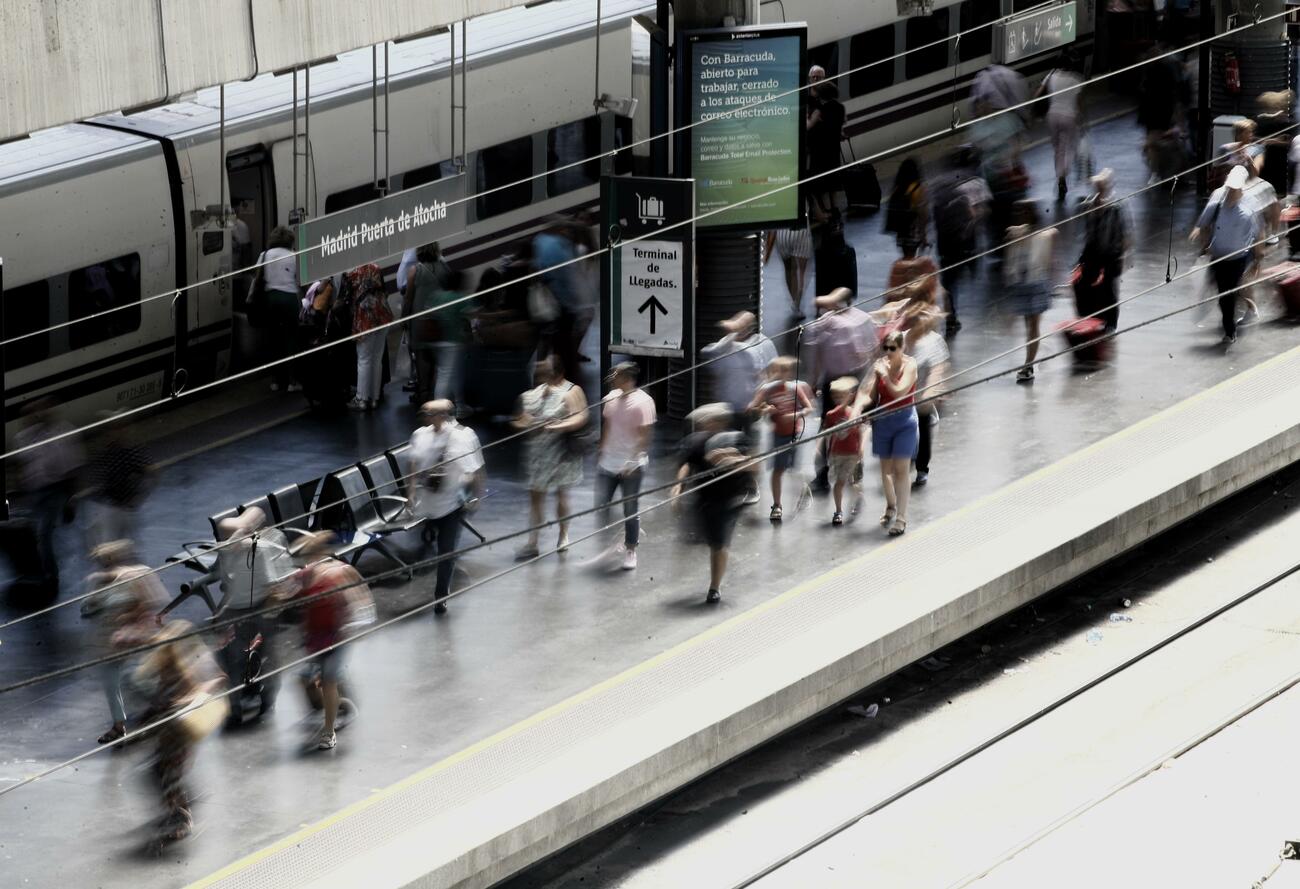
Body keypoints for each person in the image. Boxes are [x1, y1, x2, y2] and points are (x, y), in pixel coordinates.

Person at [133, 621, 224, 847]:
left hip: (180, 733)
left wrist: (185, 701)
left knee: (169, 776)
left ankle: (182, 818)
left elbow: (209, 684)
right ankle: (177, 807)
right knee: (158, 773)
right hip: (167, 733)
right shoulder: (164, 672)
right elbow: (158, 699)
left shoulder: (183, 670)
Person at [281, 532, 371, 750]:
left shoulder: (340, 571)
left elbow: (361, 595)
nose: (307, 559)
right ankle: (332, 708)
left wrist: (354, 622)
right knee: (304, 680)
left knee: (329, 681)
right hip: (315, 638)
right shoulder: (306, 574)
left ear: (322, 552)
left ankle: (328, 731)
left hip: (337, 636)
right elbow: (286, 594)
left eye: (310, 554)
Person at [80, 540, 169, 744]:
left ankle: (161, 709)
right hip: (109, 641)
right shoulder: (97, 581)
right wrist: (94, 604)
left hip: (135, 636)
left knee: (138, 680)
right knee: (111, 684)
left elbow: (152, 602)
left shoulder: (135, 575)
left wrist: (130, 614)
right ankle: (119, 726)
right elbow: (87, 607)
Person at [213, 507, 295, 717]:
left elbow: (234, 582)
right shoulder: (248, 549)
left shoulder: (237, 550)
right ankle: (253, 703)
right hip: (248, 607)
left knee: (245, 658)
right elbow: (266, 583)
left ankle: (250, 705)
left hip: (247, 608)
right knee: (255, 656)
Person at [672, 404, 755, 604]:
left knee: (719, 543)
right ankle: (721, 557)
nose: (703, 426)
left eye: (707, 422)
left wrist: (729, 460)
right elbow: (687, 464)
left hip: (729, 499)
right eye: (701, 423)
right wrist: (678, 487)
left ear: (720, 422)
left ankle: (714, 587)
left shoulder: (736, 439)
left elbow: (755, 464)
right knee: (708, 539)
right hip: (705, 498)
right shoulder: (695, 442)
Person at [409, 399, 485, 614]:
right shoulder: (419, 435)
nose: (425, 416)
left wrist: (475, 496)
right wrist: (411, 491)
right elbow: (414, 464)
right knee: (432, 541)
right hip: (427, 503)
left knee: (446, 550)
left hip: (452, 504)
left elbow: (475, 470)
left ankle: (441, 595)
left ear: (443, 415)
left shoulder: (462, 437)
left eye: (429, 412)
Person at [513, 356, 588, 557]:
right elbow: (520, 420)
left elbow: (580, 416)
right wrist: (526, 424)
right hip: (538, 452)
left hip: (562, 452)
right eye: (539, 373)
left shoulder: (572, 391)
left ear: (557, 372)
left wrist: (558, 426)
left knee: (562, 494)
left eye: (545, 372)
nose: (541, 376)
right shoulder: (532, 394)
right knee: (536, 497)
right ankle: (533, 542)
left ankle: (563, 535)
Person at [806, 287, 876, 492]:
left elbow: (870, 351)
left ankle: (855, 467)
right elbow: (818, 352)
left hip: (853, 378)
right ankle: (822, 473)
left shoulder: (860, 320)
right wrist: (814, 380)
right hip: (831, 380)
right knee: (828, 425)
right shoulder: (824, 323)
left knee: (854, 425)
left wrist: (868, 380)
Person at [13, 400, 81, 594]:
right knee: (38, 534)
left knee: (43, 534)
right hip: (35, 492)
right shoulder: (23, 438)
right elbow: (23, 465)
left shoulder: (60, 433)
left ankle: (51, 576)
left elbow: (70, 469)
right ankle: (39, 570)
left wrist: (71, 499)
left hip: (54, 490)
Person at [854, 331, 918, 537]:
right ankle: (891, 506)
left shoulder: (910, 365)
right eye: (886, 348)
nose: (889, 352)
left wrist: (884, 374)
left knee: (901, 469)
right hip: (884, 420)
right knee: (886, 470)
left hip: (904, 420)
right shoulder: (880, 365)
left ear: (902, 348)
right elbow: (870, 394)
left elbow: (899, 391)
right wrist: (856, 411)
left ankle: (902, 517)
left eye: (893, 348)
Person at [1191, 164, 1264, 345]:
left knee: (1228, 296)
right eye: (1229, 187)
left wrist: (1257, 258)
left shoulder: (1251, 204)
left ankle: (1229, 331)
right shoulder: (1218, 197)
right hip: (1218, 255)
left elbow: (1258, 233)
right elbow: (1204, 223)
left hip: (1239, 257)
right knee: (1223, 295)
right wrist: (1201, 237)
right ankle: (1228, 318)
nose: (1231, 191)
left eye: (1235, 188)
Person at [595, 362, 656, 570]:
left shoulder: (643, 402)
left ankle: (631, 548)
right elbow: (608, 426)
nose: (612, 376)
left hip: (631, 465)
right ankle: (619, 539)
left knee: (630, 507)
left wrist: (632, 461)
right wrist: (601, 449)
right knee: (602, 503)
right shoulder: (610, 399)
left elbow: (644, 436)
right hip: (609, 462)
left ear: (628, 378)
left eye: (616, 374)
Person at [928, 148, 989, 335]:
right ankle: (971, 266)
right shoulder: (973, 182)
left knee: (948, 282)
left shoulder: (939, 186)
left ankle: (951, 315)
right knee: (960, 269)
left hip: (944, 241)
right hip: (963, 239)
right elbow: (980, 212)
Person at [749, 356, 814, 523]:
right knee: (778, 470)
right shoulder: (767, 390)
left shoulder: (794, 388)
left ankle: (804, 491)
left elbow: (808, 408)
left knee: (795, 469)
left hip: (795, 432)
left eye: (785, 370)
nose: (781, 374)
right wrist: (765, 409)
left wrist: (796, 415)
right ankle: (777, 505)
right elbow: (752, 408)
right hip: (778, 434)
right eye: (777, 370)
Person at [403, 243, 467, 406]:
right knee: (439, 362)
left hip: (420, 322)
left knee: (422, 360)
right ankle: (436, 394)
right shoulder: (445, 267)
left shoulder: (414, 271)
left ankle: (424, 395)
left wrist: (404, 318)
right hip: (439, 320)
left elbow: (408, 298)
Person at [1004, 201, 1058, 383]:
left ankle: (1028, 365)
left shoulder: (1041, 235)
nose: (1022, 214)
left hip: (1036, 282)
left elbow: (1048, 243)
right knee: (1029, 325)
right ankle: (1032, 356)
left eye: (1025, 211)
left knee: (1033, 325)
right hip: (1022, 283)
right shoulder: (1016, 233)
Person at [699, 311, 778, 428]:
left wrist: (759, 400)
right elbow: (708, 355)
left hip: (751, 407)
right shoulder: (723, 347)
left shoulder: (763, 344)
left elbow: (770, 373)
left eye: (744, 327)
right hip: (727, 408)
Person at [1076, 168, 1130, 331]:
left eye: (1102, 185)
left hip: (1111, 254)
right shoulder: (1088, 205)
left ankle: (1111, 324)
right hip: (1092, 252)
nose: (1099, 189)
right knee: (1085, 286)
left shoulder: (1117, 206)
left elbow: (1125, 233)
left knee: (1109, 289)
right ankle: (1091, 319)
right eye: (1097, 186)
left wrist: (1123, 256)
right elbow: (1086, 231)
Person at [80, 428, 151, 547]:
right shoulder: (110, 454)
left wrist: (139, 497)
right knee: (121, 542)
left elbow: (150, 472)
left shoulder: (127, 452)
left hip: (116, 505)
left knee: (115, 542)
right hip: (114, 505)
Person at [339, 263, 393, 411]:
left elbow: (343, 300)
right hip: (382, 314)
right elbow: (385, 292)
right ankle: (374, 398)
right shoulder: (376, 268)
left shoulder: (350, 273)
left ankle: (362, 399)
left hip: (365, 317)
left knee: (364, 360)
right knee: (377, 359)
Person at [533, 222, 583, 381]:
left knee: (548, 345)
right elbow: (569, 281)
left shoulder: (542, 242)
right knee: (563, 347)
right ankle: (565, 377)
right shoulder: (563, 248)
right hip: (563, 309)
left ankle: (542, 378)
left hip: (552, 309)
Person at [256, 226, 303, 393]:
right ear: (290, 240)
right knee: (291, 339)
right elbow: (300, 280)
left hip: (270, 299)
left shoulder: (265, 255)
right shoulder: (294, 256)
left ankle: (276, 380)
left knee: (274, 339)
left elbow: (257, 277)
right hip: (289, 298)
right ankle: (292, 381)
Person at [907, 310, 951, 487]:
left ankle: (922, 468)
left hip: (921, 396)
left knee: (923, 433)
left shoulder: (933, 341)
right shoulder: (903, 338)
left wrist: (929, 392)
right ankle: (905, 463)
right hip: (902, 397)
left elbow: (937, 368)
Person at [1037, 52, 1086, 200]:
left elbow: (1037, 94)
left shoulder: (1051, 76)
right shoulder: (1076, 79)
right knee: (1070, 148)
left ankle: (1059, 176)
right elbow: (1079, 103)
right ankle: (1063, 175)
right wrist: (1083, 120)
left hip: (1052, 116)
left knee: (1058, 149)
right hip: (1069, 116)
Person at [821, 376, 864, 525]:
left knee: (846, 483)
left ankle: (850, 504)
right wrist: (824, 450)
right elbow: (827, 432)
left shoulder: (855, 413)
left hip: (851, 454)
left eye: (843, 396)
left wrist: (861, 448)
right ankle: (841, 508)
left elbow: (861, 431)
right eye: (836, 396)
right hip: (836, 454)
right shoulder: (831, 415)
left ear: (850, 396)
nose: (839, 399)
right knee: (840, 483)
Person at [806, 65, 847, 220]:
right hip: (832, 148)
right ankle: (833, 209)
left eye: (819, 77)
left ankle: (826, 211)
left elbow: (810, 126)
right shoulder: (840, 107)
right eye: (814, 77)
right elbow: (841, 122)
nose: (816, 80)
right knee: (832, 180)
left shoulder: (820, 109)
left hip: (819, 149)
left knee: (821, 181)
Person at [765, 221, 814, 317]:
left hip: (782, 233)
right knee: (802, 271)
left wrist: (767, 250)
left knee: (789, 269)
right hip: (801, 230)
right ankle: (797, 304)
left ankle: (794, 301)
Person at [883, 157, 929, 256]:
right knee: (913, 260)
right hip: (912, 231)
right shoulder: (917, 188)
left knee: (907, 257)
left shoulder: (897, 187)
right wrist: (923, 236)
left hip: (901, 234)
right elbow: (923, 214)